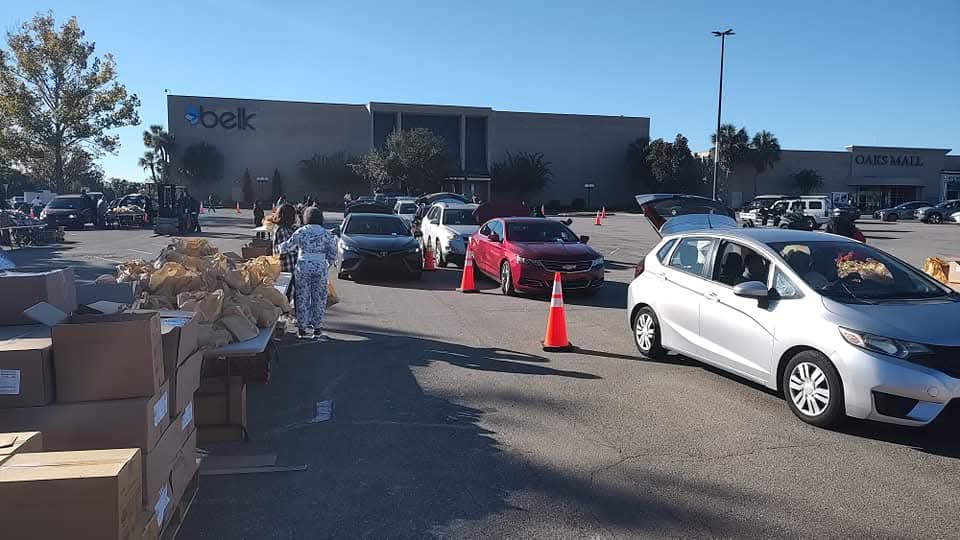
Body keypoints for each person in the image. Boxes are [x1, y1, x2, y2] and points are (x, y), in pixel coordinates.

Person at [276, 207, 338, 340]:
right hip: (320, 266)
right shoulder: (326, 233)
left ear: (306, 218)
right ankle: (317, 328)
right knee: (319, 297)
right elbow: (333, 252)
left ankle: (302, 329)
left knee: (302, 296)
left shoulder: (301, 231)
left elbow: (288, 246)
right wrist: (327, 263)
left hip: (303, 265)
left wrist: (277, 248)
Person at [271, 203, 299, 302]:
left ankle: (287, 313)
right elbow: (287, 248)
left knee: (288, 293)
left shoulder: (285, 228)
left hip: (288, 268)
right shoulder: (281, 230)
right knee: (285, 295)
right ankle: (285, 314)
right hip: (285, 268)